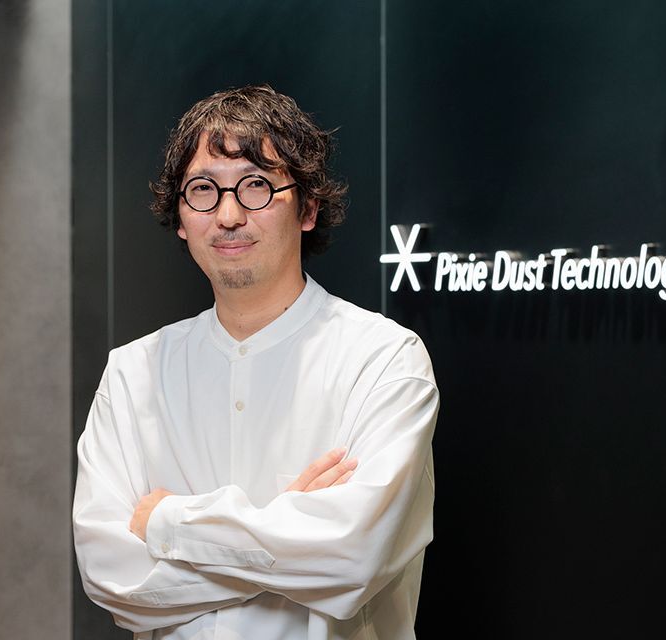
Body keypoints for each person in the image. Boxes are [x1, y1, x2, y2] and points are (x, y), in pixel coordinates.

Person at [72, 85, 438, 640]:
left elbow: (352, 560)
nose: (228, 214)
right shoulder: (131, 374)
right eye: (202, 190)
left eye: (257, 186)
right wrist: (288, 536)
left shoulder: (385, 360)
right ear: (180, 217)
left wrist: (168, 522)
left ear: (309, 208)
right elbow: (110, 577)